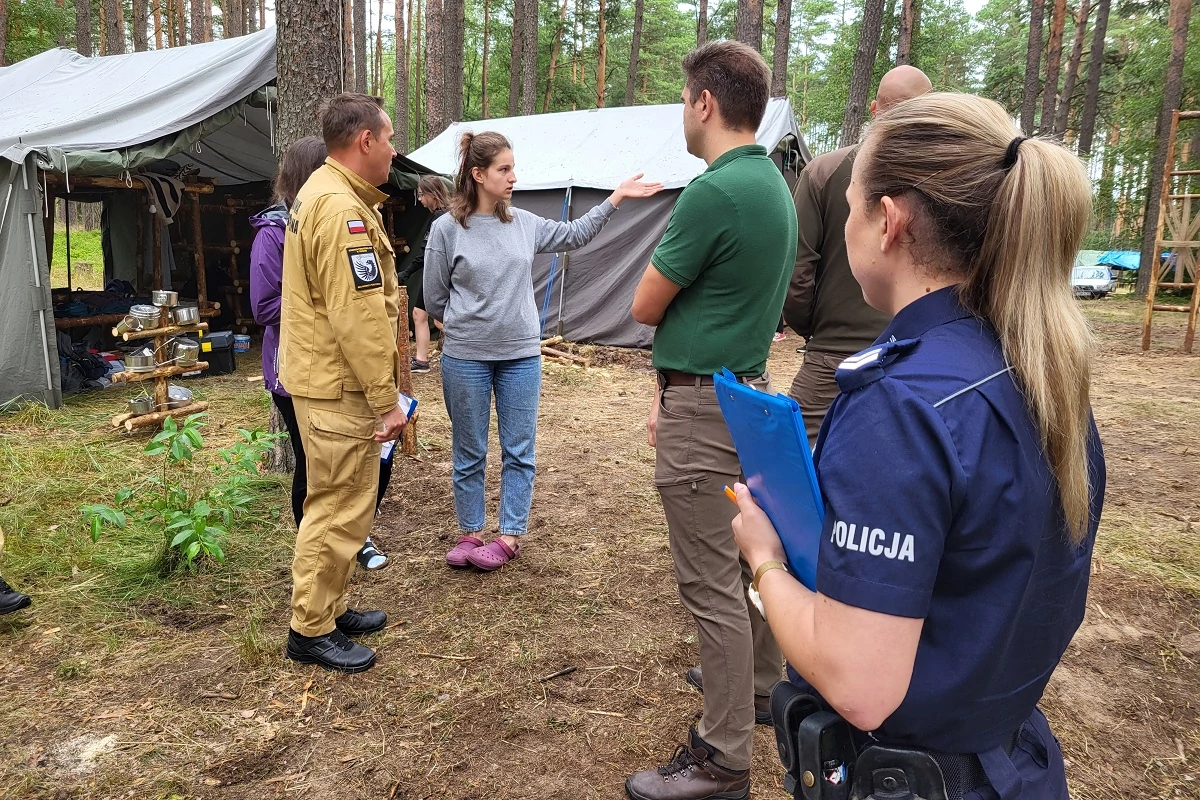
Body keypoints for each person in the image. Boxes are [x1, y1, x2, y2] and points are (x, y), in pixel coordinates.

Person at [731, 93, 1105, 800]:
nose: (843, 222)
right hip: (1012, 766)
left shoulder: (902, 407)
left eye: (848, 204)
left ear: (889, 219)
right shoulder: (1043, 371)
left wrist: (766, 562)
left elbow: (858, 684)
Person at [626, 41, 798, 800]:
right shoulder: (773, 186)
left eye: (683, 98)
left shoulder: (714, 192)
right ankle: (761, 688)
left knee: (711, 588)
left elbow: (643, 304)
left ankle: (724, 757)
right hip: (746, 396)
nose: (682, 112)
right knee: (750, 561)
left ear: (704, 102)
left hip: (704, 407)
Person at [424, 131, 663, 572]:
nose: (514, 177)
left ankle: (510, 535)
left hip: (520, 357)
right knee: (469, 448)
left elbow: (575, 235)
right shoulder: (445, 230)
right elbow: (435, 296)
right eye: (504, 169)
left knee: (519, 448)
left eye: (513, 168)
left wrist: (616, 199)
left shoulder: (525, 224)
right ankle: (471, 531)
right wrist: (466, 327)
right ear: (478, 175)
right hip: (464, 357)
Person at [277, 93, 407, 674]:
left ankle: (328, 608)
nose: (394, 149)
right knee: (335, 505)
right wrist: (388, 401)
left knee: (346, 501)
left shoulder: (329, 195)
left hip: (329, 380)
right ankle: (310, 630)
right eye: (389, 138)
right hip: (338, 386)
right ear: (364, 142)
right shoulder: (339, 209)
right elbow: (357, 317)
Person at [250, 136, 391, 573]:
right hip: (312, 374)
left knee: (340, 485)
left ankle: (336, 575)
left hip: (335, 372)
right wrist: (320, 310)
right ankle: (314, 609)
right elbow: (266, 305)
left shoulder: (317, 212)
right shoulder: (289, 227)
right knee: (321, 485)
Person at [784, 65, 932, 445]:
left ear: (874, 108)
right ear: (930, 109)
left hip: (834, 358)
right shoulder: (949, 177)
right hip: (925, 355)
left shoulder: (825, 172)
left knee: (789, 467)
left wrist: (816, 329)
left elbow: (797, 274)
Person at [397, 175, 451, 373]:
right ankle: (421, 360)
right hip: (440, 274)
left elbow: (425, 253)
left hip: (438, 276)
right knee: (421, 314)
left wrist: (406, 273)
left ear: (432, 194)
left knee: (436, 319)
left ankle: (470, 349)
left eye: (421, 195)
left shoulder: (439, 219)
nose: (419, 200)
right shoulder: (447, 215)